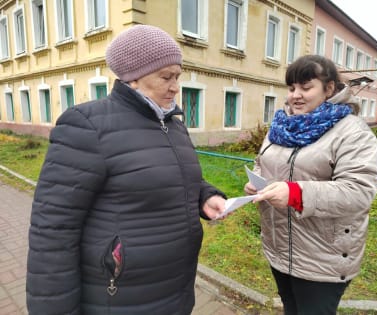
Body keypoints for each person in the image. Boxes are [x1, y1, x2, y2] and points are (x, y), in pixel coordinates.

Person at [26, 24, 227, 315]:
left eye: (177, 76)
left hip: (176, 290)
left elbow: (174, 175)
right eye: (166, 77)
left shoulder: (173, 124)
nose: (175, 86)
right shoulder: (88, 124)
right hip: (120, 298)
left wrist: (205, 196)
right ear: (133, 78)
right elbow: (53, 231)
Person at [244, 55, 377, 315]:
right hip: (280, 249)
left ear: (329, 89)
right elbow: (264, 162)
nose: (296, 95)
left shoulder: (352, 132)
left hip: (322, 259)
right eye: (292, 87)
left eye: (306, 87)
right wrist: (257, 182)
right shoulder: (282, 125)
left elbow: (358, 192)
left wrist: (295, 193)